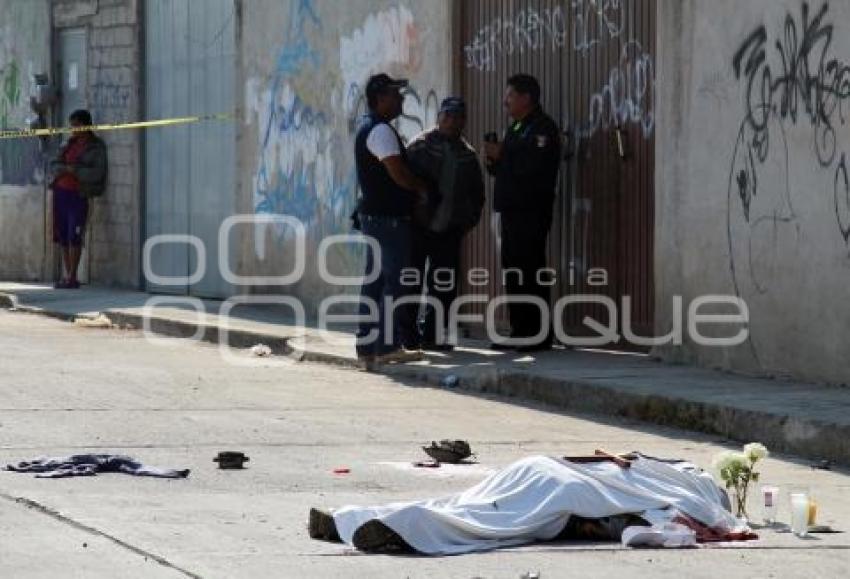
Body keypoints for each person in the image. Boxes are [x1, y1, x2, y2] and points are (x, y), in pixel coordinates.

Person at [307, 453, 751, 555]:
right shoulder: (681, 485)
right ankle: (407, 528)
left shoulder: (654, 470)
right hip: (563, 485)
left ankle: (354, 518)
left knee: (471, 501)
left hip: (546, 470)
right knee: (500, 520)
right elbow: (680, 517)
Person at [354, 74, 430, 366]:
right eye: (396, 95)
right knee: (393, 283)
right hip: (388, 219)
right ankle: (386, 346)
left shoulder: (369, 128)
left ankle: (367, 347)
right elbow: (397, 172)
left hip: (377, 217)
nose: (401, 100)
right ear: (380, 98)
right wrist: (420, 187)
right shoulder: (381, 131)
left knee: (374, 283)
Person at [483, 74, 561, 352]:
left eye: (510, 96)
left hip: (531, 210)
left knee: (530, 269)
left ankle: (537, 333)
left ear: (527, 98)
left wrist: (503, 157)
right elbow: (502, 170)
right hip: (511, 211)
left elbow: (532, 169)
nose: (505, 101)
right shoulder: (516, 127)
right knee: (514, 271)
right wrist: (493, 158)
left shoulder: (542, 129)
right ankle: (520, 329)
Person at [406, 97, 485, 350]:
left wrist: (466, 223)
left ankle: (433, 335)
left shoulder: (467, 155)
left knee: (444, 284)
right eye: (447, 116)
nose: (451, 121)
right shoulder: (420, 146)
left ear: (464, 121)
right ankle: (407, 335)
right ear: (439, 117)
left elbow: (477, 195)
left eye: (457, 117)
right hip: (418, 227)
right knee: (411, 281)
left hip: (449, 230)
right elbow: (405, 184)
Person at [49, 109, 108, 289]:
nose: (73, 129)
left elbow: (97, 173)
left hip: (79, 194)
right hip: (61, 193)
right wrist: (64, 169)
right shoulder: (68, 144)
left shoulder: (96, 147)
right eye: (72, 125)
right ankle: (67, 276)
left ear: (86, 125)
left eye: (77, 125)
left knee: (75, 234)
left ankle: (73, 276)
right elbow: (55, 164)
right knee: (62, 236)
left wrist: (75, 171)